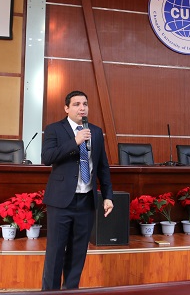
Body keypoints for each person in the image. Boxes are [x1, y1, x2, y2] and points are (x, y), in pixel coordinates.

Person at [41, 90, 114, 290]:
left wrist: (107, 196)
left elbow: (102, 166)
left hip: (86, 201)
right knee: (55, 252)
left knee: (78, 253)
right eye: (76, 104)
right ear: (66, 108)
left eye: (85, 104)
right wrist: (75, 141)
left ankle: (70, 291)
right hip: (61, 201)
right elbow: (47, 157)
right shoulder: (54, 129)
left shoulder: (96, 132)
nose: (82, 108)